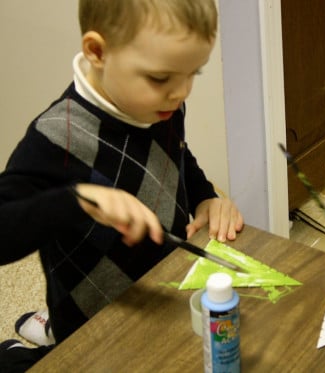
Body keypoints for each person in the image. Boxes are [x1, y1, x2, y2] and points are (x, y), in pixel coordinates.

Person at [0, 0, 243, 370]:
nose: (181, 92)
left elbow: (176, 153)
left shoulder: (163, 102)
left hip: (162, 294)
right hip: (91, 325)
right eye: (161, 78)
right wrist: (75, 200)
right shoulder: (54, 139)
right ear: (98, 51)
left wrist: (204, 197)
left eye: (194, 72)